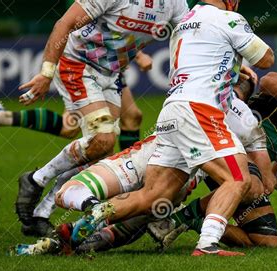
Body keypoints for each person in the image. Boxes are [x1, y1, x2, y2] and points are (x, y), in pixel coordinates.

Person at [63, 0, 275, 256]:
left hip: (172, 109)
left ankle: (99, 212)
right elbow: (265, 59)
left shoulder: (185, 21)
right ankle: (207, 245)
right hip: (200, 109)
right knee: (237, 178)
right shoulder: (228, 19)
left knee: (153, 196)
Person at [11, 0, 190, 236]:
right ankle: (37, 179)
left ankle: (40, 214)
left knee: (98, 150)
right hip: (78, 65)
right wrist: (46, 73)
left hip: (111, 74)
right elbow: (63, 24)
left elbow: (191, 38)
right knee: (103, 139)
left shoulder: (175, 4)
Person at [150, 62, 277, 250]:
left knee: (266, 241)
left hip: (255, 170)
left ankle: (194, 220)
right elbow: (268, 82)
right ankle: (179, 218)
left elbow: (272, 179)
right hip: (227, 146)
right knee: (253, 185)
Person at [0, 51, 153, 151]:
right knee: (76, 129)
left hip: (106, 64)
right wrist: (138, 55)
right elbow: (104, 26)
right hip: (88, 63)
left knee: (131, 117)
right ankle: (125, 178)